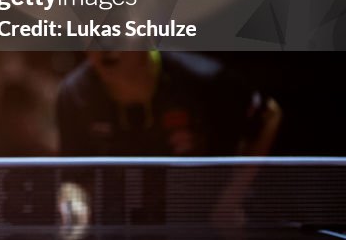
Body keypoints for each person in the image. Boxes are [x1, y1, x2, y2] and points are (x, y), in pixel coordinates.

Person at [56, 50, 282, 226]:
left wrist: (231, 198)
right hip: (125, 223)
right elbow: (74, 177)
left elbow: (268, 115)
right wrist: (73, 214)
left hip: (201, 222)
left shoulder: (203, 80)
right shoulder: (74, 93)